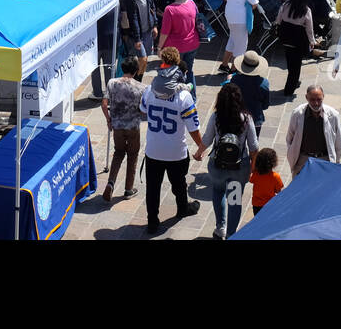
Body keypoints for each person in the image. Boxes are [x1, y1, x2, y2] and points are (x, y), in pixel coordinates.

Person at [140, 47, 203, 235]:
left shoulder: (150, 90)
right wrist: (201, 146)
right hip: (176, 152)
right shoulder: (184, 96)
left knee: (153, 188)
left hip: (153, 150)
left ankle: (152, 222)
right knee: (179, 184)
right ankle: (182, 208)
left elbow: (143, 111)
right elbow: (193, 127)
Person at [195, 82, 258, 239]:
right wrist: (253, 166)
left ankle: (220, 227)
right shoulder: (246, 118)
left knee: (218, 192)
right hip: (239, 167)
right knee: (234, 200)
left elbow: (207, 139)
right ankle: (231, 234)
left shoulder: (216, 117)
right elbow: (254, 147)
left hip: (218, 164)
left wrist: (198, 153)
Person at [101, 56, 144, 202]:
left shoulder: (112, 83)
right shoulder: (141, 87)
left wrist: (109, 119)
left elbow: (104, 103)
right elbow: (144, 110)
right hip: (133, 127)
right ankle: (128, 189)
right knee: (132, 156)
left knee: (118, 153)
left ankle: (111, 183)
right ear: (136, 71)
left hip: (117, 127)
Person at [285, 84, 341, 174]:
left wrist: (336, 162)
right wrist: (293, 157)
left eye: (319, 100)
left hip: (325, 160)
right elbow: (290, 138)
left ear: (323, 97)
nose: (316, 103)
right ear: (306, 98)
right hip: (303, 160)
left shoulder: (333, 115)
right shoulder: (297, 114)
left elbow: (338, 142)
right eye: (312, 100)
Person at [215, 0, 260, 73]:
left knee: (233, 40)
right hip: (241, 18)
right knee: (241, 46)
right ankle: (234, 70)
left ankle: (224, 65)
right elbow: (254, 3)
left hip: (230, 14)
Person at [156, 0, 199, 77]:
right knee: (189, 72)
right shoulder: (192, 3)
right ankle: (191, 92)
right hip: (192, 44)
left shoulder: (170, 9)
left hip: (175, 48)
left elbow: (165, 32)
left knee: (172, 74)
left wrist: (159, 48)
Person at [120, 0, 157, 75]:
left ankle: (138, 80)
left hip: (147, 31)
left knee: (145, 60)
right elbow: (133, 18)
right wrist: (137, 39)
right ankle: (135, 80)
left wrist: (154, 25)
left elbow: (152, 8)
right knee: (143, 59)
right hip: (138, 34)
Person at [226, 50, 270, 136]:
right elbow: (265, 105)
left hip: (237, 117)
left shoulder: (235, 80)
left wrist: (228, 81)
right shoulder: (264, 83)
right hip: (255, 119)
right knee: (254, 144)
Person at [249, 148, 284, 216]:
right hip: (269, 205)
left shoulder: (256, 174)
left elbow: (251, 180)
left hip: (256, 205)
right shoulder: (275, 177)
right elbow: (278, 191)